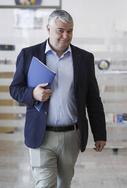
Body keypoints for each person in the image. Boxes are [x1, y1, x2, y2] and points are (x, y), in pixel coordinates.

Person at [9, 10, 106, 188]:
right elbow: (15, 89)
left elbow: (93, 99)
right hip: (41, 134)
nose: (65, 35)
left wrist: (100, 133)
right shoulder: (29, 55)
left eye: (69, 31)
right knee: (45, 184)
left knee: (64, 183)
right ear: (48, 29)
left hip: (72, 135)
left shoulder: (84, 58)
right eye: (60, 30)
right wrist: (32, 94)